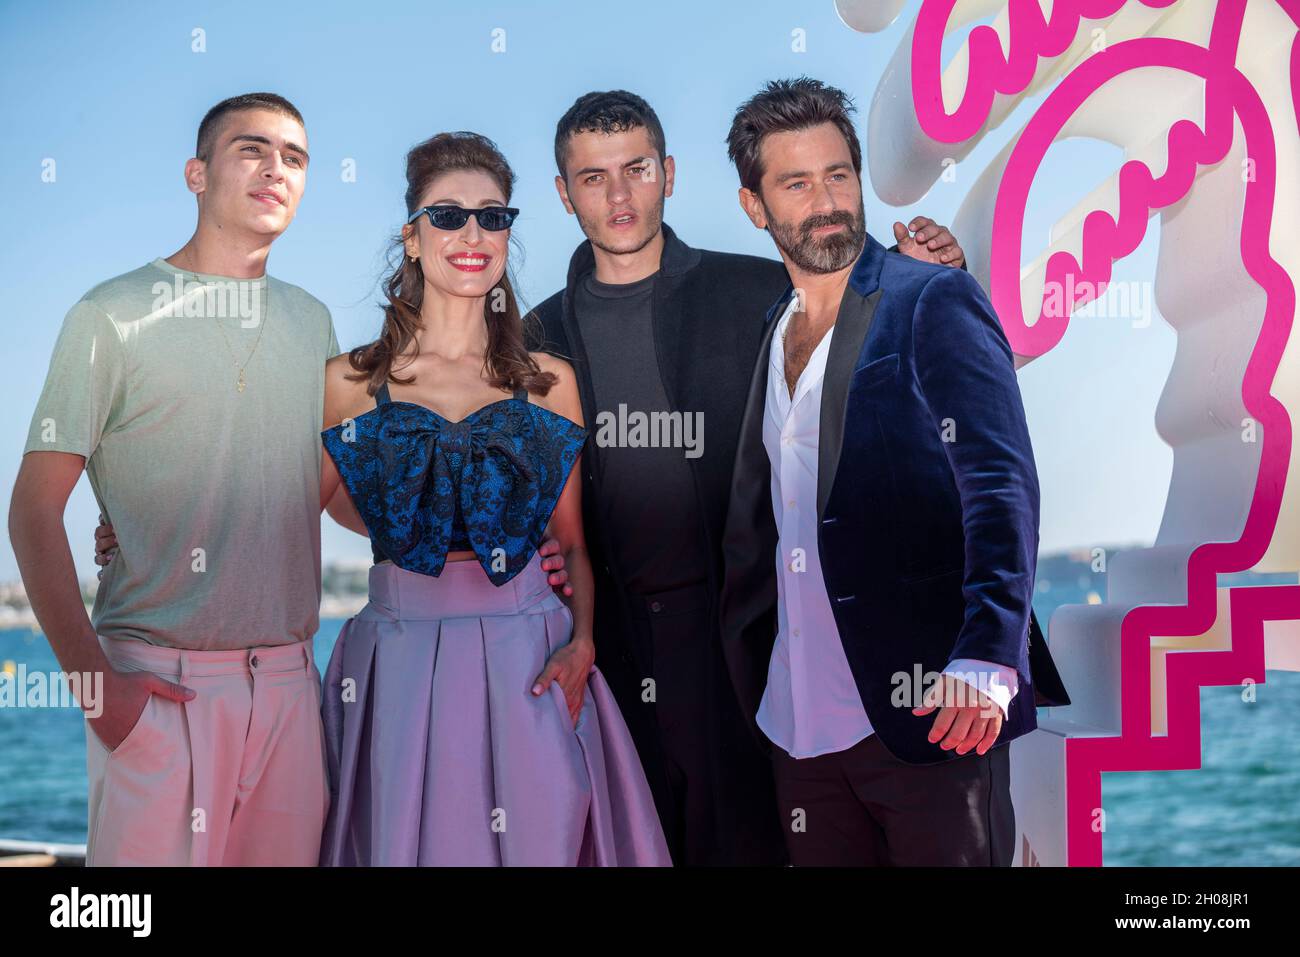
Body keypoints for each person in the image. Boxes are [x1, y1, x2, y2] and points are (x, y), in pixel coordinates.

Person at [530, 89, 972, 865]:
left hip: (749, 637)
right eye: (593, 178)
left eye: (636, 168)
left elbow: (863, 310)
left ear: (667, 173)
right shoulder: (540, 334)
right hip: (616, 646)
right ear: (565, 194)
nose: (620, 193)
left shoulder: (758, 291)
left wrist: (926, 269)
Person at [719, 77, 1068, 866]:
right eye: (797, 183)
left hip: (935, 710)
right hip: (799, 725)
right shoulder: (769, 332)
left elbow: (1000, 481)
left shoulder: (929, 298)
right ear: (755, 205)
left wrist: (986, 655)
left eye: (839, 174)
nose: (827, 201)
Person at [315, 131, 670, 866]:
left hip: (529, 657)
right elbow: (296, 512)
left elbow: (571, 542)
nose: (471, 234)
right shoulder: (347, 381)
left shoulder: (550, 380)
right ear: (412, 239)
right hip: (398, 655)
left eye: (492, 216)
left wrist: (582, 643)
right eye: (446, 216)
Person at [10, 92, 338, 865]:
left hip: (291, 690)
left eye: (294, 158)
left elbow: (326, 492)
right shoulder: (111, 315)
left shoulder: (315, 322)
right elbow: (31, 513)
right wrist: (101, 694)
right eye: (250, 149)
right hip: (158, 690)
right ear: (197, 173)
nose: (275, 169)